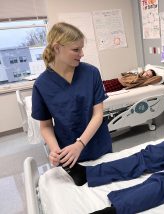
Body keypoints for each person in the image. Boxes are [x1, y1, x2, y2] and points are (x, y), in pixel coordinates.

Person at [31, 22, 112, 168]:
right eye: (76, 49)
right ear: (57, 48)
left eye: (81, 48)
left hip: (98, 146)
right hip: (67, 153)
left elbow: (98, 114)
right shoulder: (41, 85)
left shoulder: (91, 73)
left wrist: (80, 144)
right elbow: (46, 126)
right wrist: (55, 149)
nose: (82, 54)